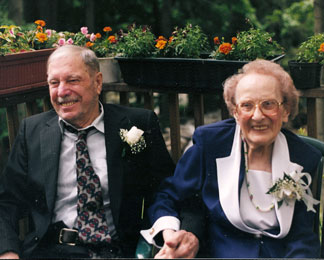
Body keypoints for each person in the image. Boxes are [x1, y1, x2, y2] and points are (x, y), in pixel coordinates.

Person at [0, 45, 198, 259]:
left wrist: (180, 233)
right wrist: (8, 251)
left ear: (97, 83)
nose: (62, 91)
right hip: (52, 250)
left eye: (73, 80)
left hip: (120, 250)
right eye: (54, 83)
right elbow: (7, 202)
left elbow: (167, 189)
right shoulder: (33, 131)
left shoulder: (136, 125)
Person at [141, 59, 322, 258]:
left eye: (268, 104)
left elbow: (303, 236)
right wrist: (171, 233)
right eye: (247, 105)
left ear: (285, 111)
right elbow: (169, 196)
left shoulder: (304, 157)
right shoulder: (211, 144)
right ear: (235, 112)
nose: (257, 115)